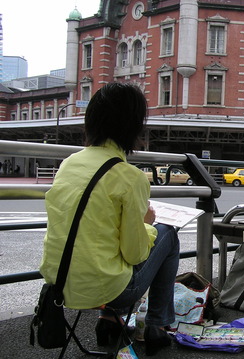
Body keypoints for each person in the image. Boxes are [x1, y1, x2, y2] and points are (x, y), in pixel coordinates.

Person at [40, 82, 179, 356]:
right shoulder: (129, 177)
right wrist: (147, 225)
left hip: (59, 285)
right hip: (110, 290)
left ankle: (109, 322)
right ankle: (157, 327)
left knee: (107, 249)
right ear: (134, 125)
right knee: (169, 235)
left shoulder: (68, 163)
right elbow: (135, 253)